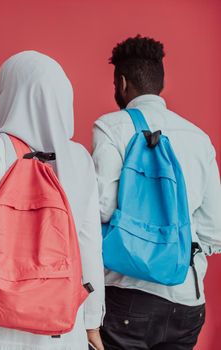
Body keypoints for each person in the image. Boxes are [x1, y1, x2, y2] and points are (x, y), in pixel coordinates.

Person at [0, 51, 105, 350]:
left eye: (0, 87)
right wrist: (92, 322)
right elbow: (88, 247)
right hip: (62, 331)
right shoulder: (79, 158)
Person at [93, 35, 221, 349]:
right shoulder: (198, 137)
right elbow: (215, 231)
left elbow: (101, 206)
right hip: (188, 302)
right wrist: (173, 255)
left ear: (121, 83)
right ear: (160, 82)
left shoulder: (112, 126)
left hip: (128, 298)